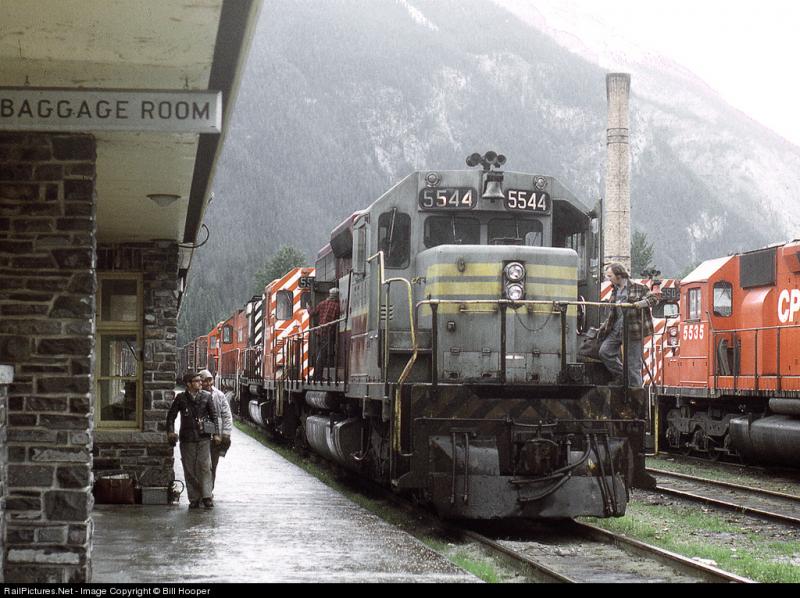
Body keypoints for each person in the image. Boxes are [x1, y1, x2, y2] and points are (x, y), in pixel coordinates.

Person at [598, 263, 660, 387]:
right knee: (605, 352)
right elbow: (613, 313)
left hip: (633, 330)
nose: (609, 279)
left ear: (619, 275)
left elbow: (654, 299)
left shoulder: (639, 288)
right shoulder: (614, 290)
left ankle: (636, 392)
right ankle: (622, 376)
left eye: (610, 276)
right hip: (616, 330)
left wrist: (641, 304)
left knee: (633, 364)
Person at [166, 372, 220, 509]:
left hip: (204, 437)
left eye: (200, 380)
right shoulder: (181, 398)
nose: (200, 383)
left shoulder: (206, 396)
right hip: (187, 437)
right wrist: (171, 431)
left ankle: (207, 496)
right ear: (188, 384)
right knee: (189, 469)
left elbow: (214, 416)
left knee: (205, 466)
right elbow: (171, 416)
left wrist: (216, 433)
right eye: (196, 381)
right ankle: (194, 498)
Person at [198, 369, 232, 488]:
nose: (208, 383)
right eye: (205, 381)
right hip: (201, 436)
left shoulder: (219, 395)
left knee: (213, 464)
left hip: (215, 436)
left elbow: (226, 415)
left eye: (210, 380)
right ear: (200, 382)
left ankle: (209, 489)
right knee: (202, 465)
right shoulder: (197, 395)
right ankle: (202, 490)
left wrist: (226, 433)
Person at [310, 287, 341, 381]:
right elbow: (337, 317)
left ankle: (317, 375)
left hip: (319, 332)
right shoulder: (337, 306)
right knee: (322, 355)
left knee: (320, 353)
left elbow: (313, 313)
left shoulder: (322, 303)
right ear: (337, 296)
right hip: (328, 333)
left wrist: (308, 308)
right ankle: (317, 376)